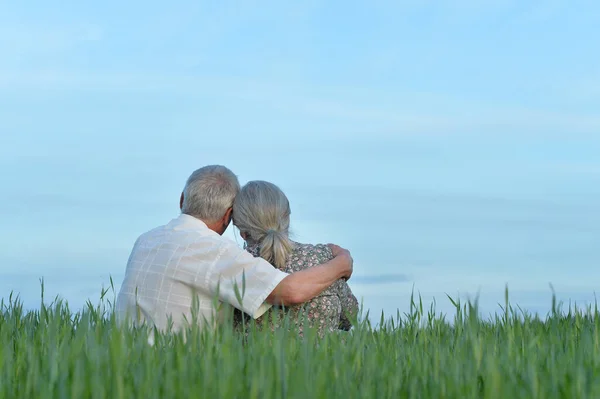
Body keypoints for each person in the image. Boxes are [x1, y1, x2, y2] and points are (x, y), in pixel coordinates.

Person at [115, 165, 353, 337]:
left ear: (181, 200)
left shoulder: (145, 240)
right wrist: (341, 263)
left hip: (125, 365)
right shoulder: (214, 250)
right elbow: (290, 291)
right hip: (181, 370)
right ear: (229, 215)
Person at [231, 180, 359, 337]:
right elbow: (349, 317)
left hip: (249, 361)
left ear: (241, 230)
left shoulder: (234, 264)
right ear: (287, 218)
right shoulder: (323, 257)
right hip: (323, 360)